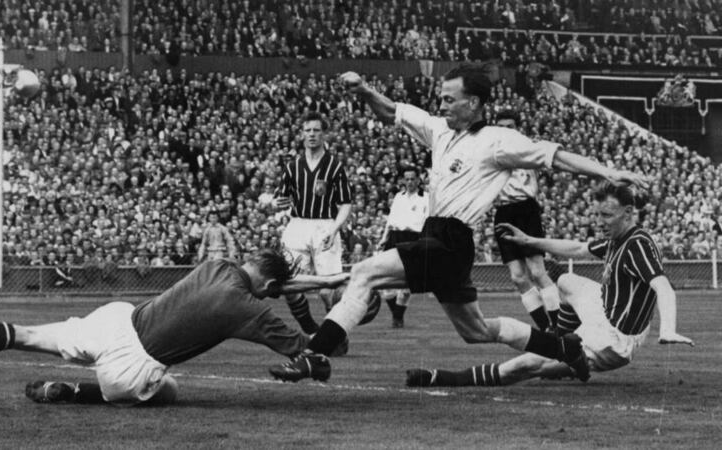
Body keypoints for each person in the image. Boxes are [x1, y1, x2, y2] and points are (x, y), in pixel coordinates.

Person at [268, 66, 647, 384]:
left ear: (474, 103)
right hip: (438, 238)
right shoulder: (439, 129)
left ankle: (315, 354)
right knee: (478, 332)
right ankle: (563, 347)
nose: (441, 103)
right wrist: (366, 90)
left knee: (365, 273)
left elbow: (559, 158)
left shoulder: (500, 141)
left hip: (451, 240)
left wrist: (609, 171)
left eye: (449, 98)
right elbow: (392, 112)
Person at [0, 249, 349, 406]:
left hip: (112, 322)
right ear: (272, 289)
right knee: (170, 390)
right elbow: (313, 353)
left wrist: (317, 280)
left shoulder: (216, 264)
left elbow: (268, 282)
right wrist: (334, 297)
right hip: (133, 368)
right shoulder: (250, 312)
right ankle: (76, 393)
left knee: (22, 334)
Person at [406, 183, 694, 388]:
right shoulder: (618, 239)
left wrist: (668, 328)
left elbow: (664, 287)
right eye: (599, 214)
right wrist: (531, 242)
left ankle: (446, 378)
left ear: (629, 212)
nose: (601, 221)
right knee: (567, 281)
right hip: (603, 310)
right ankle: (564, 346)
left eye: (607, 215)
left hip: (614, 340)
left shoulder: (637, 245)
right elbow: (578, 248)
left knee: (527, 365)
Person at [271, 112, 353, 335]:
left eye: (316, 130)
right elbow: (280, 198)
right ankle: (310, 329)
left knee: (330, 291)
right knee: (289, 284)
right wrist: (277, 203)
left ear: (324, 134)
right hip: (297, 226)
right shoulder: (292, 167)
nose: (312, 134)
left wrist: (335, 229)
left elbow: (346, 203)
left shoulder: (334, 166)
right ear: (301, 134)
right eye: (308, 130)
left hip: (325, 226)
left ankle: (335, 336)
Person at [492, 109, 560, 332]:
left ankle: (560, 326)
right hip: (503, 212)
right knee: (518, 277)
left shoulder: (530, 147)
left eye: (510, 127)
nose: (506, 131)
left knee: (538, 272)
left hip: (526, 209)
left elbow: (553, 159)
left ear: (517, 129)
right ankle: (545, 329)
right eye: (501, 127)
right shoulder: (489, 152)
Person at [376, 165, 428, 328]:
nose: (410, 182)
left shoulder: (426, 198)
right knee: (386, 287)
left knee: (407, 286)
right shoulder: (399, 196)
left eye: (413, 179)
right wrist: (384, 238)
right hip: (394, 238)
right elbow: (391, 220)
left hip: (414, 239)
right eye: (407, 179)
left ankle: (397, 318)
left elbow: (428, 221)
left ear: (419, 180)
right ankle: (397, 316)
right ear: (403, 181)